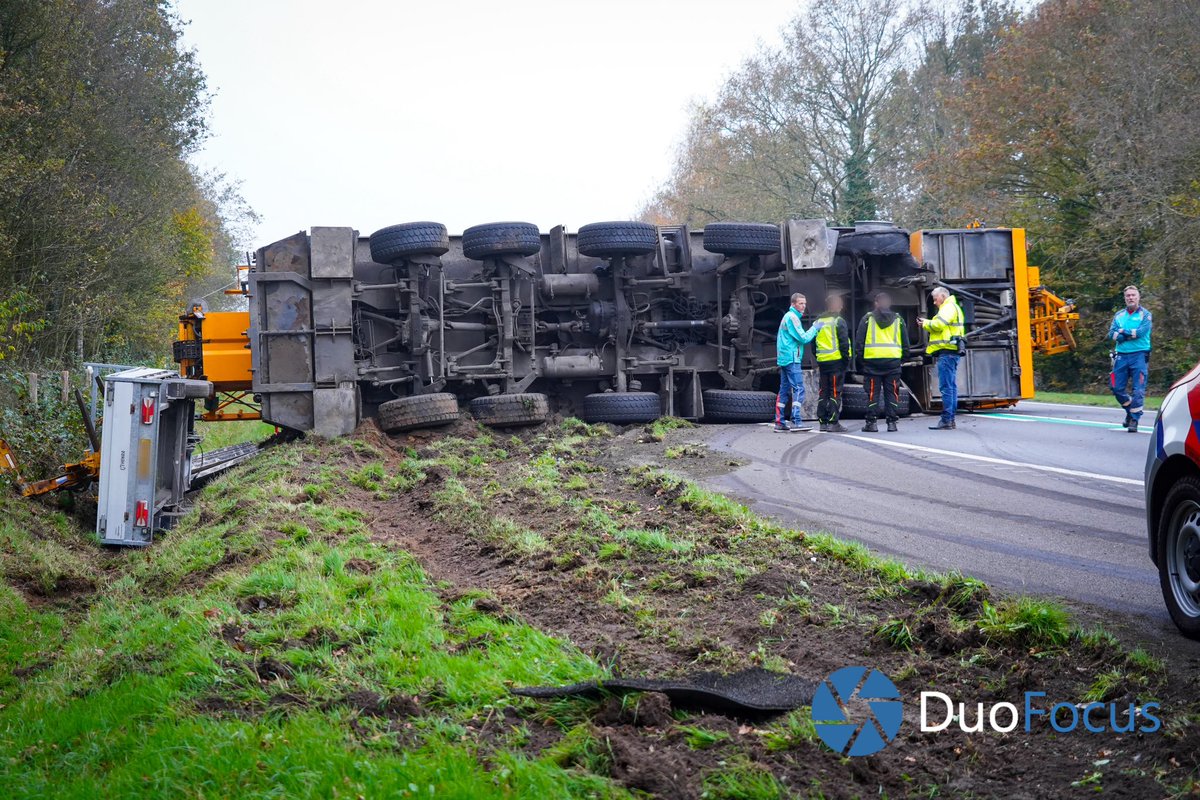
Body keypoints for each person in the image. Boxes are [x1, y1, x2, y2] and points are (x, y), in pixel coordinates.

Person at [855, 291, 910, 433]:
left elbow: (859, 343)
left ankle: (871, 423)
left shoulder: (867, 319)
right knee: (892, 393)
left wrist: (862, 362)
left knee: (872, 394)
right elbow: (905, 343)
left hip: (872, 364)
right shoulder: (898, 319)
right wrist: (902, 360)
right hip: (893, 363)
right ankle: (892, 423)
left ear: (876, 303)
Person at [775, 292, 826, 432]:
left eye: (804, 303)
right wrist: (815, 328)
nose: (803, 306)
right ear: (793, 304)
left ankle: (779, 422)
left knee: (784, 390)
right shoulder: (792, 317)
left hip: (785, 358)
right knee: (798, 388)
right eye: (800, 303)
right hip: (792, 358)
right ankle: (797, 421)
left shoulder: (788, 316)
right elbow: (803, 338)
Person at [917, 286, 964, 430]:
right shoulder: (952, 307)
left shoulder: (948, 307)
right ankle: (950, 419)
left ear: (943, 296)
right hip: (950, 352)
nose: (934, 302)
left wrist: (925, 323)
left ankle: (947, 419)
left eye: (935, 298)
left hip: (947, 352)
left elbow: (938, 325)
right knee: (951, 387)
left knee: (946, 387)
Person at [1108, 285, 1152, 432]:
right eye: (1128, 296)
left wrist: (1122, 332)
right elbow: (1112, 334)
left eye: (1133, 295)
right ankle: (1130, 412)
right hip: (1121, 355)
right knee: (1116, 387)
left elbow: (1140, 333)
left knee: (1138, 389)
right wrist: (1127, 334)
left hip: (1139, 355)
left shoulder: (1145, 315)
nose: (1131, 298)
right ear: (1125, 298)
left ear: (1138, 297)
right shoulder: (1119, 315)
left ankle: (1134, 420)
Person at [813, 294, 852, 432]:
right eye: (840, 304)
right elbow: (844, 344)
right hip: (836, 362)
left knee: (823, 392)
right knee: (835, 392)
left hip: (823, 362)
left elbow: (813, 344)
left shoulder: (818, 321)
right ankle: (833, 422)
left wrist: (819, 357)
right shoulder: (838, 321)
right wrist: (846, 361)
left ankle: (822, 422)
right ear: (836, 305)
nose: (841, 306)